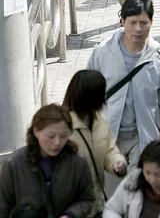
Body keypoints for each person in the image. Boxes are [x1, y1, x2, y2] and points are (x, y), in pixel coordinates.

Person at [87, 0, 160, 169]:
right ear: (122, 22)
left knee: (141, 190)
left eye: (143, 23)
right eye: (132, 22)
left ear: (151, 22)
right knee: (111, 194)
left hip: (144, 138)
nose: (138, 29)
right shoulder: (102, 53)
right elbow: (86, 95)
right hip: (107, 139)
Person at [0, 104, 95, 218]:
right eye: (51, 136)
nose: (57, 142)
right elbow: (3, 208)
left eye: (64, 136)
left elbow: (87, 199)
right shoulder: (13, 164)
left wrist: (70, 215)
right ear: (36, 131)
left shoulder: (77, 162)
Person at [62, 70, 128, 216]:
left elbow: (109, 150)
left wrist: (117, 163)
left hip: (97, 204)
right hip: (72, 210)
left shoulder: (100, 121)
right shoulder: (62, 128)